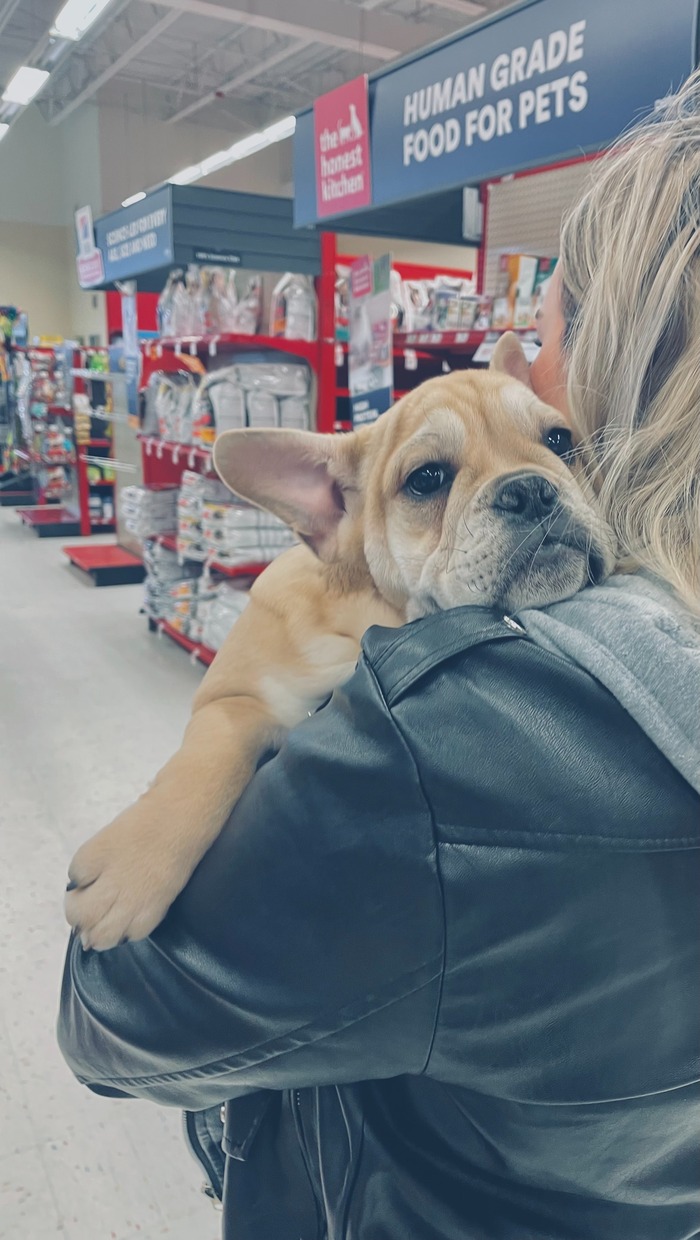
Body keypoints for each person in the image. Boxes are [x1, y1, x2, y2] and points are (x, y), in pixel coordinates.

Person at [57, 74, 700, 1240]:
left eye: (552, 421)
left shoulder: (444, 743)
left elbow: (111, 1022)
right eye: (436, 476)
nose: (525, 478)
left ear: (621, 385)